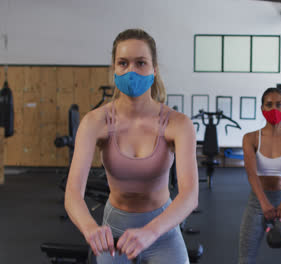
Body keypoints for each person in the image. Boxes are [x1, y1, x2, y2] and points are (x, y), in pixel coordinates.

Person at [64, 28, 198, 264]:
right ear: (114, 69)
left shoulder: (178, 124)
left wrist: (152, 231)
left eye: (141, 63)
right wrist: (89, 228)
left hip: (162, 228)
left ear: (154, 70)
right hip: (114, 229)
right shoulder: (95, 122)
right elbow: (73, 194)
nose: (131, 71)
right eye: (123, 63)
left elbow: (189, 195)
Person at [239, 88, 281, 264]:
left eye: (278, 104)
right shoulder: (250, 138)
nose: (274, 109)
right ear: (262, 109)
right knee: (246, 258)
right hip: (258, 202)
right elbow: (251, 173)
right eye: (269, 105)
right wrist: (264, 202)